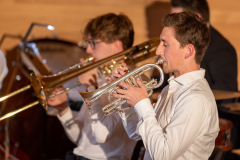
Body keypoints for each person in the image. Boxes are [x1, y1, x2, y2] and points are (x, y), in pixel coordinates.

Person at [112, 11, 219, 159]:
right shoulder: (172, 87)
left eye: (165, 44)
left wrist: (142, 104)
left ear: (188, 51)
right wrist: (127, 97)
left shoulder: (195, 98)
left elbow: (163, 154)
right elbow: (135, 133)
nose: (158, 51)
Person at [47, 13, 137, 160]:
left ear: (116, 45)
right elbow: (83, 141)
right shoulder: (100, 78)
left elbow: (102, 135)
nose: (88, 50)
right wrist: (63, 110)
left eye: (93, 43)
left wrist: (91, 88)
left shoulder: (134, 81)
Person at [171, 0, 238, 96]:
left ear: (197, 18)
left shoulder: (221, 48)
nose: (172, 27)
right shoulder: (180, 42)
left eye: (177, 21)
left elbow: (226, 91)